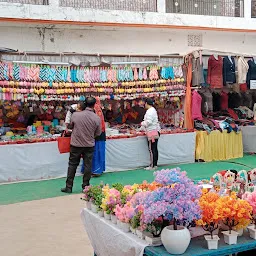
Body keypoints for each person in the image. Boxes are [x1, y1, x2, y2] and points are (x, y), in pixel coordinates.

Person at [61, 98, 102, 193]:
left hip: (76, 144)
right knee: (88, 165)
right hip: (89, 144)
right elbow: (98, 133)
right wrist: (90, 136)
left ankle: (69, 186)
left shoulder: (76, 115)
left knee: (72, 164)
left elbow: (70, 126)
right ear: (94, 105)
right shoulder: (96, 118)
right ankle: (85, 186)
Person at [81, 97, 106, 176]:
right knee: (98, 152)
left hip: (95, 134)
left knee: (94, 152)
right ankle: (98, 169)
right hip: (100, 133)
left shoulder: (95, 109)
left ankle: (95, 170)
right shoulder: (99, 108)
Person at [141, 98, 161, 170]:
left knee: (152, 148)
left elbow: (148, 122)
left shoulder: (150, 111)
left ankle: (152, 165)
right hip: (154, 130)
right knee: (154, 148)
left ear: (146, 103)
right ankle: (155, 164)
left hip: (152, 132)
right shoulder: (153, 110)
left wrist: (142, 123)